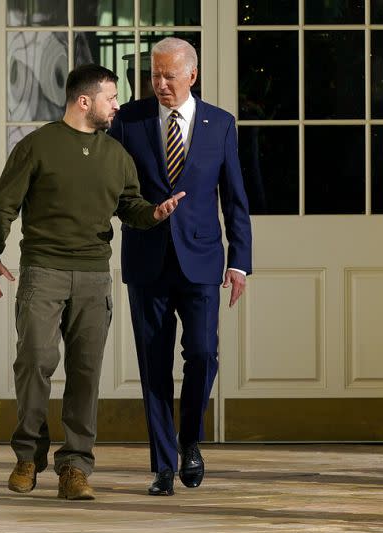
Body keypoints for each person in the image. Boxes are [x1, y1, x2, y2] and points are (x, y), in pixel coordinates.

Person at [0, 64, 185, 501]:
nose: (118, 105)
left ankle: (75, 466)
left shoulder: (117, 155)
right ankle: (27, 455)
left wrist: (154, 214)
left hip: (94, 276)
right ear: (84, 101)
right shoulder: (37, 146)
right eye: (112, 98)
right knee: (34, 362)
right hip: (43, 272)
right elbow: (2, 207)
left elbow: (129, 206)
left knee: (86, 373)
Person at [108, 38, 252, 496]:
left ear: (192, 75)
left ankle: (190, 440)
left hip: (204, 261)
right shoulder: (128, 121)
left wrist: (239, 263)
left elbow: (233, 199)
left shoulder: (220, 124)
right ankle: (163, 467)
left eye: (170, 75)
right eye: (155, 75)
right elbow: (112, 190)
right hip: (147, 261)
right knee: (153, 368)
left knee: (203, 355)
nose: (162, 84)